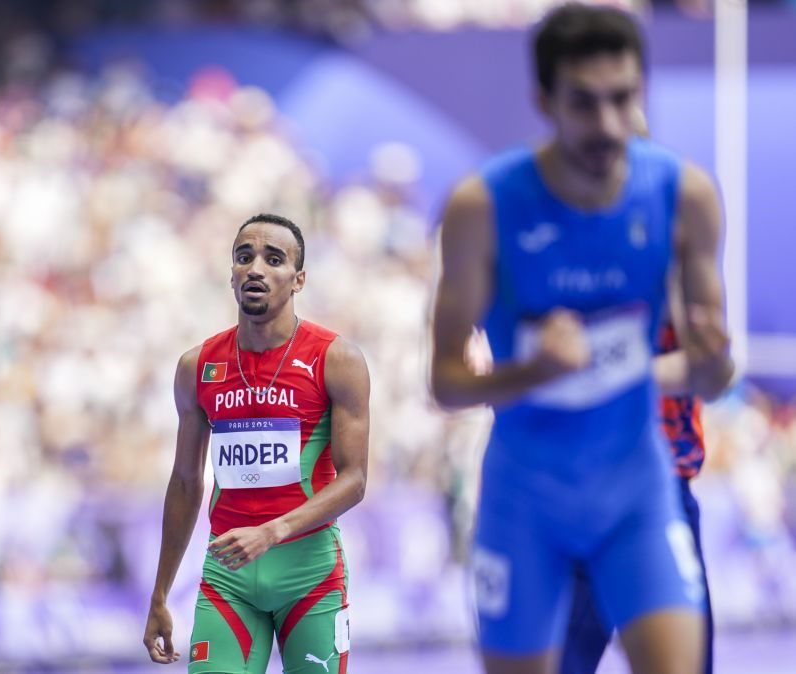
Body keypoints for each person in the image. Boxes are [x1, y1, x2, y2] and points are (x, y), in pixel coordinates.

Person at [430, 4, 733, 673]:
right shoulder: (482, 207)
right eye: (585, 104)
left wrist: (712, 362)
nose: (607, 126)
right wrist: (534, 373)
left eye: (622, 101)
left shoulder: (682, 196)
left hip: (642, 492)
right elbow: (445, 384)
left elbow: (714, 379)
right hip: (526, 506)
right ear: (544, 101)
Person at [143, 213, 370, 674]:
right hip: (228, 581)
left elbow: (356, 480)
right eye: (244, 258)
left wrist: (272, 531)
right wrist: (161, 594)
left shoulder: (337, 359)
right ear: (231, 275)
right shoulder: (197, 366)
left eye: (273, 259)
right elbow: (186, 483)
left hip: (310, 577)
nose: (256, 269)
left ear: (298, 279)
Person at [560, 114, 718, 674]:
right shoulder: (550, 249)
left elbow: (711, 366)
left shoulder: (674, 257)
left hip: (658, 490)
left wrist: (615, 374)